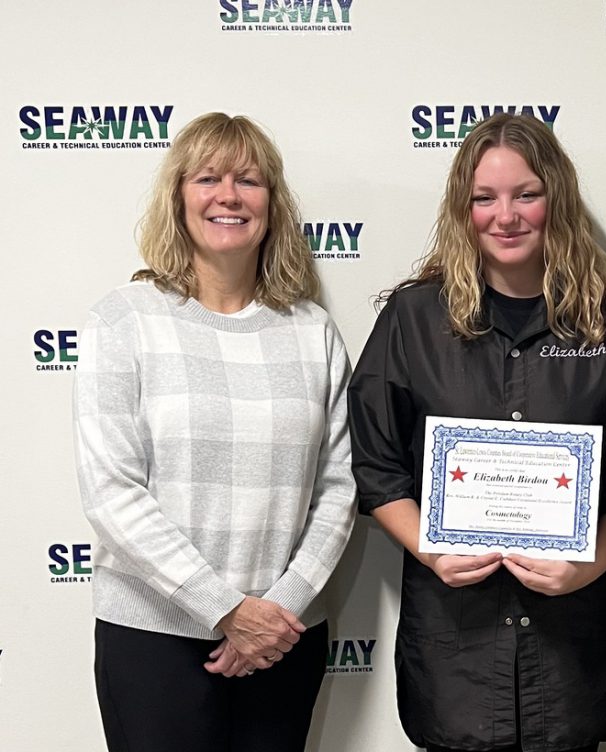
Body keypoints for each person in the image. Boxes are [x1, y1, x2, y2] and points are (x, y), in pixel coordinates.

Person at [348, 113, 606, 752]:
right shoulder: (413, 320)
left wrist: (590, 565)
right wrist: (431, 549)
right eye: (485, 198)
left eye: (526, 194)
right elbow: (376, 464)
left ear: (555, 198)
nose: (507, 215)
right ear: (462, 209)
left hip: (570, 658)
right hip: (455, 660)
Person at [73, 112, 356, 752]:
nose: (228, 195)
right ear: (179, 198)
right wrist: (225, 610)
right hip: (154, 640)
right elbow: (111, 491)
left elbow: (339, 487)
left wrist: (277, 613)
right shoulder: (124, 319)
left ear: (272, 204)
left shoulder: (311, 330)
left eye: (249, 181)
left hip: (285, 638)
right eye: (207, 178)